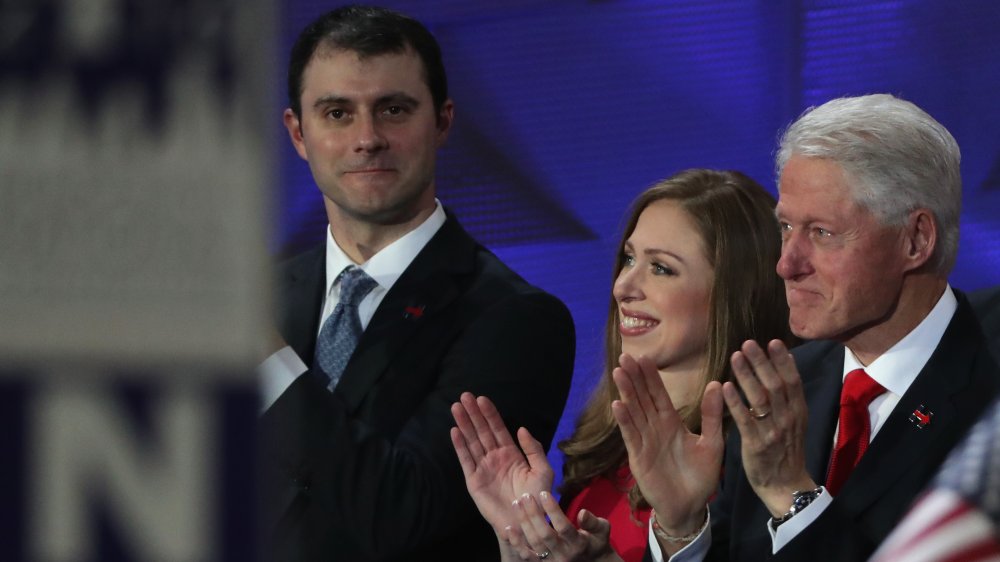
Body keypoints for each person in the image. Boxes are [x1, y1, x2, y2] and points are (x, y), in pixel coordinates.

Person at [616, 94, 1000, 562]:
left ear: (915, 239)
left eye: (822, 233)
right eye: (785, 229)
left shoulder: (987, 404)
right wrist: (681, 525)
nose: (786, 264)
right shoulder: (776, 388)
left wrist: (791, 493)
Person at [257, 5, 576, 560]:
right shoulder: (263, 296)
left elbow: (409, 515)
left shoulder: (514, 318)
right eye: (336, 113)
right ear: (297, 132)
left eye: (393, 109)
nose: (367, 138)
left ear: (443, 121)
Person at [450, 169, 795, 562]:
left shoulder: (765, 458)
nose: (623, 287)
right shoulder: (606, 442)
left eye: (661, 268)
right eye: (629, 259)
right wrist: (522, 538)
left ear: (736, 292)